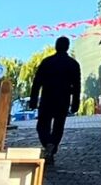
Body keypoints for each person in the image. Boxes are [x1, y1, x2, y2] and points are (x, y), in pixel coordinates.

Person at [27, 37, 82, 165]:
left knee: (42, 126)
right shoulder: (73, 64)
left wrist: (33, 100)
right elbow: (77, 86)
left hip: (47, 98)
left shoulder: (47, 62)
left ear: (56, 46)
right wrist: (75, 103)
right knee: (58, 126)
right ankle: (51, 146)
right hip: (63, 99)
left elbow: (37, 83)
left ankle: (48, 145)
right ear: (67, 47)